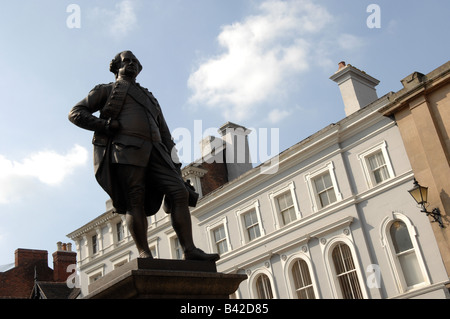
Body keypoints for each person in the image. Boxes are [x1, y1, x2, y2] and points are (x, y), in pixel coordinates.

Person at [68, 50, 219, 262]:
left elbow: (164, 132)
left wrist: (175, 162)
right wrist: (105, 125)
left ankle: (189, 249)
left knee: (179, 193)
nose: (130, 64)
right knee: (134, 201)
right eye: (126, 61)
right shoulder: (106, 90)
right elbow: (76, 113)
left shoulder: (150, 98)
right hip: (126, 149)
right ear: (116, 67)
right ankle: (144, 252)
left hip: (157, 151)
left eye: (134, 61)